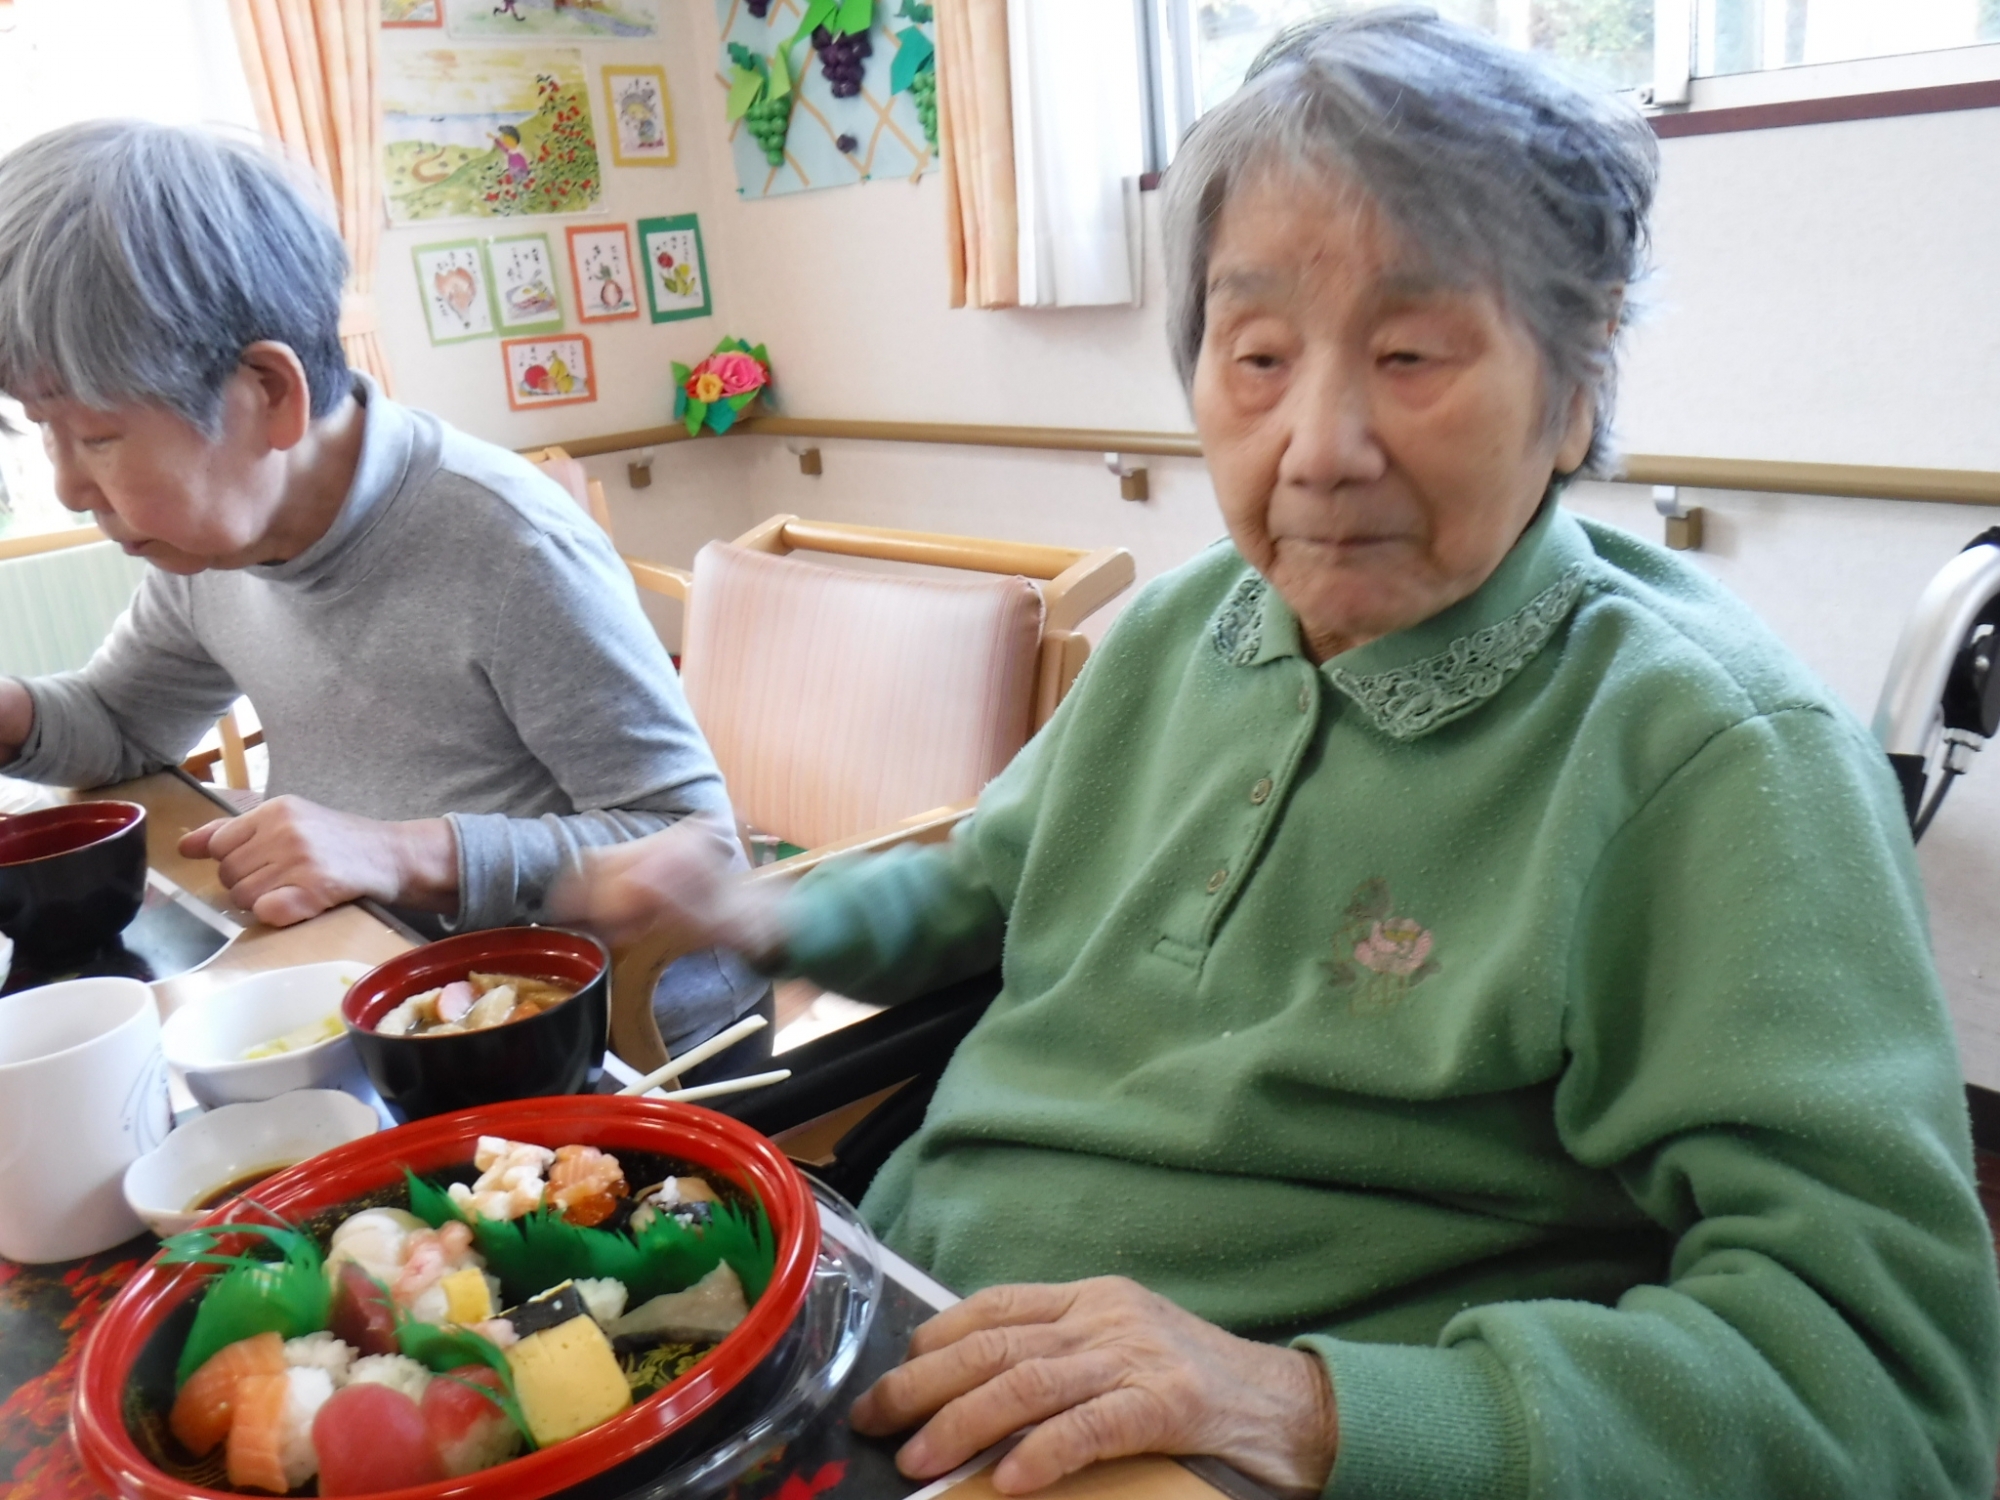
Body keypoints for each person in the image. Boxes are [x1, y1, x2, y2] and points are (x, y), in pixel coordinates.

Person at [557, 10, 2000, 1498]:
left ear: (1577, 387)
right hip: (893, 1312)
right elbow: (984, 886)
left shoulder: (1710, 757)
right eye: (1256, 355)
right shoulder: (1184, 630)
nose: (1317, 446)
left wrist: (1303, 1406)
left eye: (1409, 352)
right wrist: (766, 911)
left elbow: (1890, 1388)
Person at [0, 119, 764, 1064]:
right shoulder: (215, 550)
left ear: (269, 393)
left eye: (97, 437)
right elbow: (122, 725)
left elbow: (694, 840)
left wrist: (401, 852)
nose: (69, 487)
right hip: (383, 985)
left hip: (622, 1043)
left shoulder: (506, 542)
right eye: (45, 432)